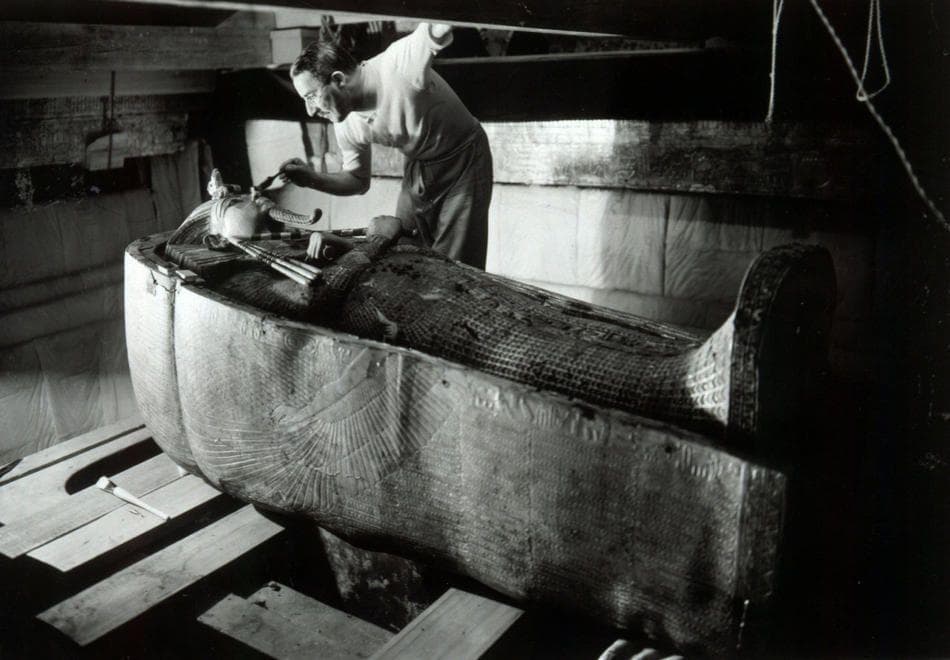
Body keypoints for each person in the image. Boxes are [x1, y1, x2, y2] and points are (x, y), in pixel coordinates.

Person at [281, 22, 493, 270]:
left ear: (338, 79)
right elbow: (358, 180)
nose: (310, 110)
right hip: (419, 164)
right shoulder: (345, 122)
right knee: (402, 249)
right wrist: (310, 178)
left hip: (465, 159)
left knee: (455, 267)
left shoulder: (398, 63)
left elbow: (440, 24)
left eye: (311, 96)